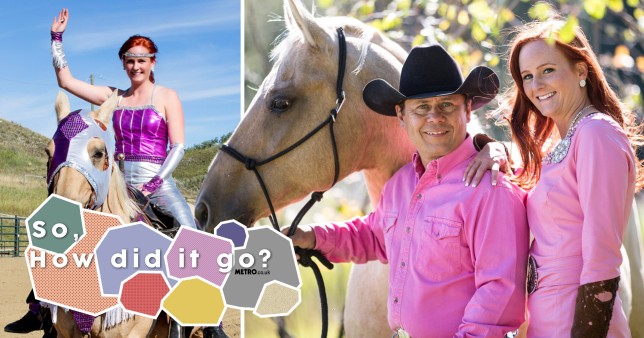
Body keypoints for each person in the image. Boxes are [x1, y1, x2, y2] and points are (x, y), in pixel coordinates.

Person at [288, 44, 529, 337]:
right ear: (402, 116)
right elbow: (373, 236)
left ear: (467, 108)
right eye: (422, 108)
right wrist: (312, 237)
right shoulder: (401, 184)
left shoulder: (491, 189)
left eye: (447, 105)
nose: (435, 117)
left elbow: (501, 291)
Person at [4, 8, 199, 337]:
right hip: (117, 182)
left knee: (193, 236)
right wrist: (56, 40)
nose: (135, 66)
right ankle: (39, 306)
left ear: (152, 62)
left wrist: (155, 182)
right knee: (58, 230)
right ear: (124, 63)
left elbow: (178, 146)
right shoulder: (113, 96)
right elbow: (65, 81)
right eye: (129, 60)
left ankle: (202, 320)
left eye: (142, 59)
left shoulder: (167, 96)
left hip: (158, 182)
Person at [502, 19, 643, 337]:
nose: (536, 85)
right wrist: (489, 151)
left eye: (547, 70)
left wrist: (587, 332)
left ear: (581, 71)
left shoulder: (595, 133)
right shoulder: (556, 147)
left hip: (580, 322)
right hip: (547, 318)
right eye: (527, 76)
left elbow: (602, 254)